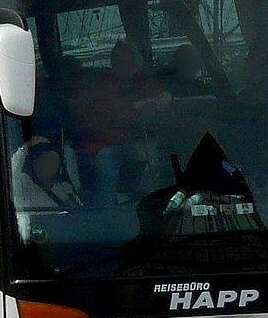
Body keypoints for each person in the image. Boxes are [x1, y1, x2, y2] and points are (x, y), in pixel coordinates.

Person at [72, 41, 171, 206]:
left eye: (131, 60)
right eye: (122, 61)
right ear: (114, 63)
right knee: (107, 163)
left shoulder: (145, 82)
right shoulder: (102, 86)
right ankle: (105, 210)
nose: (127, 65)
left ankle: (153, 206)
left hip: (140, 142)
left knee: (157, 162)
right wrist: (135, 107)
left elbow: (160, 101)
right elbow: (101, 119)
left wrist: (164, 99)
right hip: (103, 145)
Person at [12, 136, 82, 209]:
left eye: (53, 161)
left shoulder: (63, 189)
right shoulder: (25, 183)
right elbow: (9, 174)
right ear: (34, 163)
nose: (51, 165)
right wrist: (25, 148)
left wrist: (71, 198)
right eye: (46, 160)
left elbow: (80, 212)